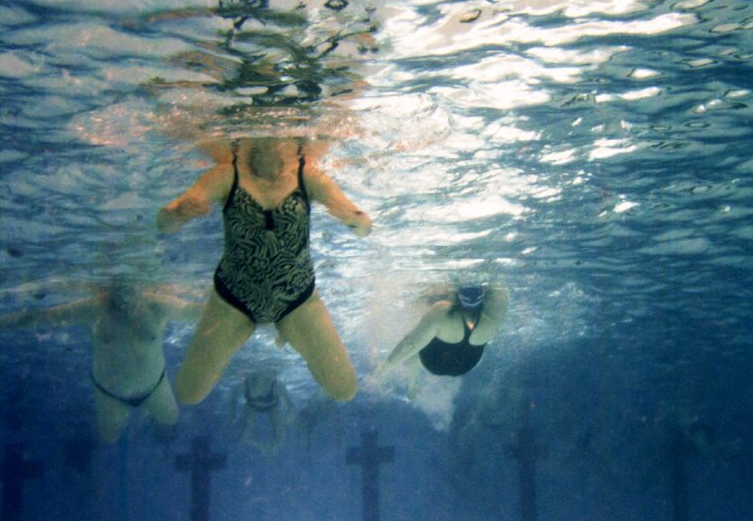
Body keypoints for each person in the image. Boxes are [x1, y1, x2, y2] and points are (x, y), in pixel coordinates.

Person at [156, 137, 371, 405]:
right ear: (247, 139)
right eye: (260, 137)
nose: (269, 143)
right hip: (234, 300)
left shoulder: (308, 176)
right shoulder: (227, 174)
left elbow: (365, 229)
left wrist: (355, 220)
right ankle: (265, 330)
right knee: (189, 394)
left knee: (344, 390)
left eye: (276, 139)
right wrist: (177, 213)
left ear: (289, 143)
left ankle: (288, 330)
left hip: (296, 299)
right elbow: (163, 224)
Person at [0, 280, 203, 444]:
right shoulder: (93, 308)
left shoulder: (158, 305)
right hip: (110, 394)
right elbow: (34, 320)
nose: (123, 289)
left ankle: (146, 420)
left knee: (171, 420)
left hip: (155, 388)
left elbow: (203, 313)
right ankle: (138, 417)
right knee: (109, 439)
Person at [374, 283, 507, 397]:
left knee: (413, 354)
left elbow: (411, 344)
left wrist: (385, 367)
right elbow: (500, 290)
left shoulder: (442, 311)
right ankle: (412, 389)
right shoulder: (493, 315)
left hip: (434, 364)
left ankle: (412, 387)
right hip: (468, 365)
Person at [230, 370, 295, 458]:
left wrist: (290, 415)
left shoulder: (277, 384)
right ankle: (264, 449)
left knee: (280, 437)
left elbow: (290, 404)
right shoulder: (243, 384)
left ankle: (271, 448)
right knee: (244, 436)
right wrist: (232, 414)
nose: (263, 378)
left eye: (267, 376)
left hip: (271, 406)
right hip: (253, 405)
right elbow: (233, 401)